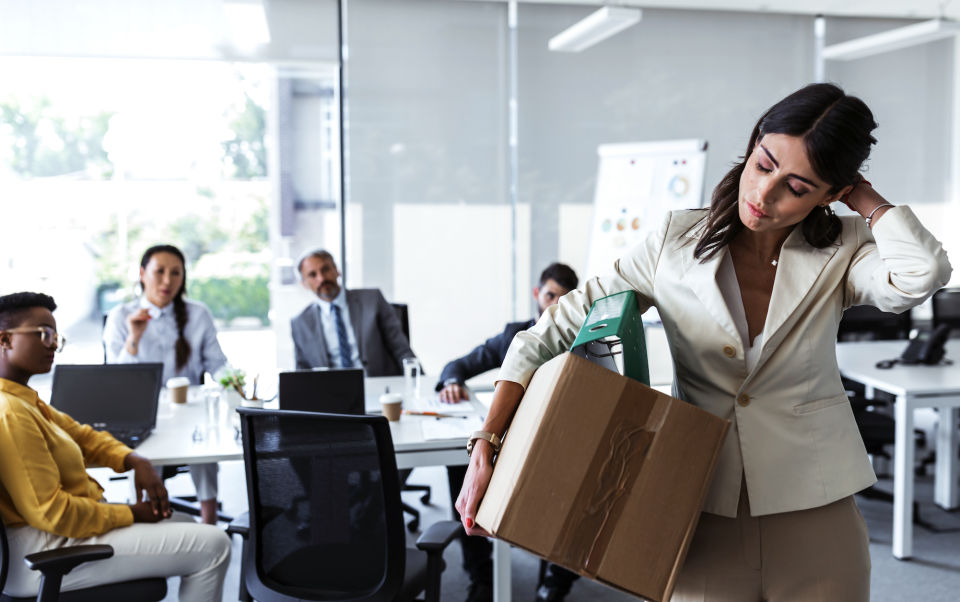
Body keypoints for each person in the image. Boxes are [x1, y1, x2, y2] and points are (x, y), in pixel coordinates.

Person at [456, 83, 953, 602]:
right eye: (763, 165)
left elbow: (924, 272)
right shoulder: (673, 243)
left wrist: (864, 198)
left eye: (797, 187)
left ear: (831, 194)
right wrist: (486, 443)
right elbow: (547, 333)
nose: (764, 195)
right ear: (754, 143)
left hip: (817, 512)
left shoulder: (845, 249)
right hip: (698, 507)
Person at [0, 292, 231, 601]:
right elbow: (51, 513)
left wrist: (132, 458)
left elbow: (83, 436)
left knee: (186, 522)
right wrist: (131, 513)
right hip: (39, 553)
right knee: (214, 545)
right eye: (43, 333)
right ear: (4, 339)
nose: (53, 343)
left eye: (56, 335)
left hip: (55, 534)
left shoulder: (24, 399)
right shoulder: (10, 411)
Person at [438, 263, 579, 602]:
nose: (554, 306)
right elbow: (457, 365)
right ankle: (481, 578)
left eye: (563, 299)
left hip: (560, 442)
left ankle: (555, 583)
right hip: (509, 442)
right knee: (461, 465)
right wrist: (452, 381)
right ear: (537, 294)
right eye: (549, 296)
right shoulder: (514, 336)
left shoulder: (584, 339)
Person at [104, 245, 227, 525]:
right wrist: (133, 337)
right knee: (145, 455)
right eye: (159, 271)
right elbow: (117, 381)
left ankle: (210, 522)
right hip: (144, 411)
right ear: (141, 274)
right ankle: (148, 520)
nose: (167, 281)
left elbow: (217, 364)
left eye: (175, 273)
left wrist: (234, 381)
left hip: (190, 406)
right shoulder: (121, 316)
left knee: (207, 444)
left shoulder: (198, 314)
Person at [291, 249, 415, 376]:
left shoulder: (373, 300)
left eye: (325, 269)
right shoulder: (299, 323)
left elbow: (401, 349)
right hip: (331, 391)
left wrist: (420, 386)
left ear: (337, 270)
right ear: (304, 284)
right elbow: (302, 372)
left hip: (377, 387)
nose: (321, 278)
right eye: (312, 275)